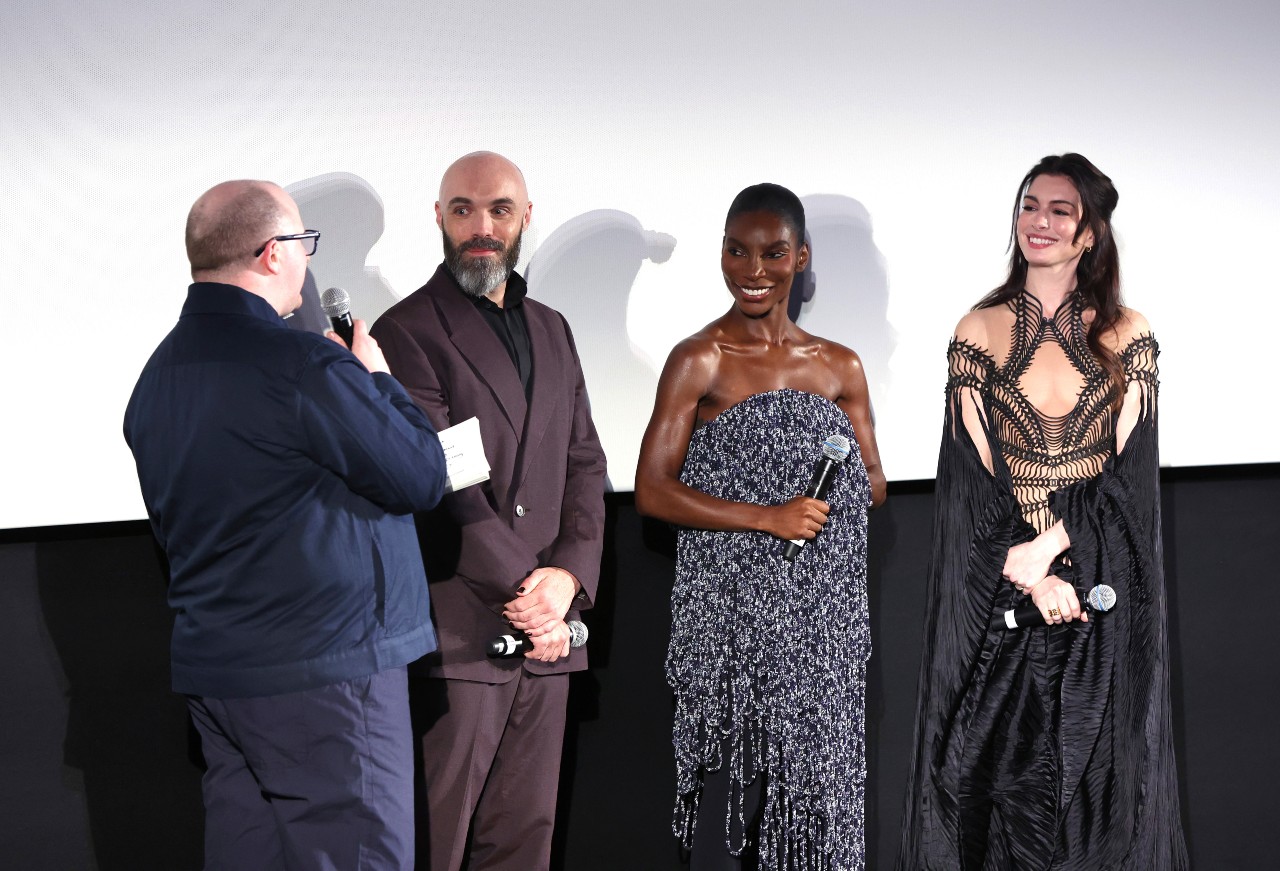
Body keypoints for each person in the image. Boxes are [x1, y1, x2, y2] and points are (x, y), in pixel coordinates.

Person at [123, 180, 449, 869]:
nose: (307, 260)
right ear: (273, 253)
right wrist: (378, 379)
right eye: (303, 243)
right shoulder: (305, 365)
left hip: (222, 679)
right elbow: (419, 473)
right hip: (329, 677)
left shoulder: (156, 378)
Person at [897, 154, 1189, 869]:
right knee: (990, 793)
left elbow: (1130, 484)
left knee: (1101, 799)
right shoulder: (979, 330)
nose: (1041, 221)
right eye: (1031, 205)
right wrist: (1027, 573)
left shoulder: (1128, 334)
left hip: (1102, 593)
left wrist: (1056, 548)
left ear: (1089, 232)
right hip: (1004, 594)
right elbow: (971, 485)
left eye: (1061, 210)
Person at [635, 183, 887, 871]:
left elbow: (874, 482)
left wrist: (817, 490)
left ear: (801, 257)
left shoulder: (840, 365)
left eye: (773, 253)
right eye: (737, 252)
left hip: (814, 629)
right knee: (726, 806)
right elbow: (653, 491)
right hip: (730, 622)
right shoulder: (701, 358)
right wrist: (767, 514)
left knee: (812, 807)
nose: (753, 271)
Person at [370, 152, 607, 871]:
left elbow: (585, 466)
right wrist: (531, 594)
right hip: (462, 637)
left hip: (549, 641)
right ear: (439, 218)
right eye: (464, 209)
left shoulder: (554, 328)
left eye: (499, 209)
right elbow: (441, 483)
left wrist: (566, 580)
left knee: (524, 845)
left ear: (525, 218)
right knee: (435, 845)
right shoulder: (405, 330)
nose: (482, 227)